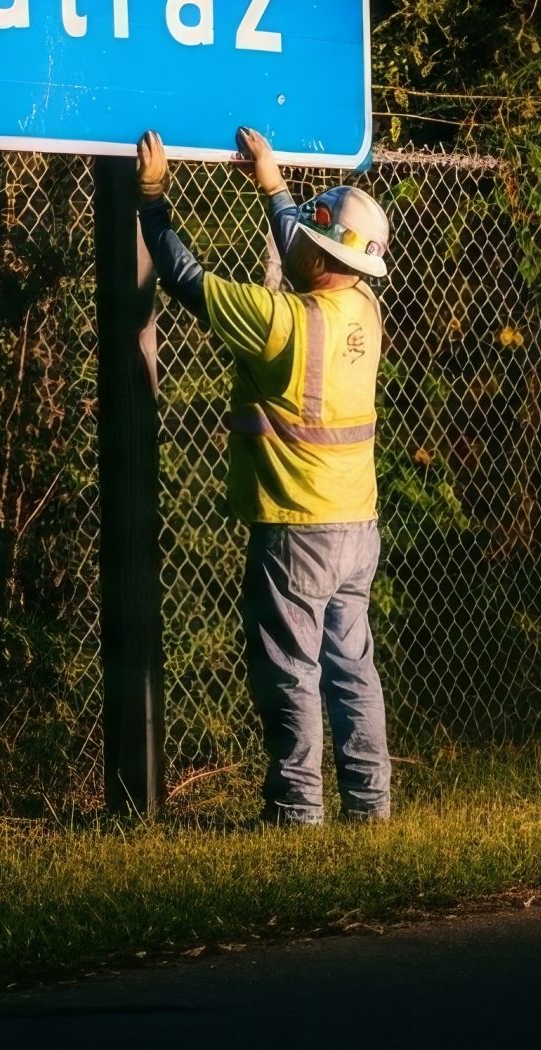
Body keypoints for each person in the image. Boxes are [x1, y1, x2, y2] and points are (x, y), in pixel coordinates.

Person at [131, 125, 395, 825]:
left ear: (321, 247)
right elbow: (308, 247)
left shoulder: (278, 319)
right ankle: (371, 807)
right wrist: (274, 188)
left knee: (290, 674)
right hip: (357, 529)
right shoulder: (364, 309)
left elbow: (186, 279)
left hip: (295, 532)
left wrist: (152, 200)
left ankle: (295, 812)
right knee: (351, 671)